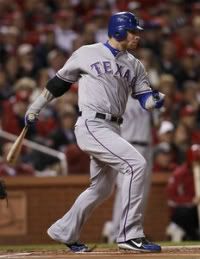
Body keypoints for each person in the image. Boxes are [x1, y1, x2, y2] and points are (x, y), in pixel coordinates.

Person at [24, 12, 164, 253]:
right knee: (136, 164)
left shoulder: (135, 64)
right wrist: (35, 107)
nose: (137, 36)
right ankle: (130, 234)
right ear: (118, 30)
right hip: (91, 124)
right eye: (133, 31)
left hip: (113, 127)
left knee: (101, 188)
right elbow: (59, 83)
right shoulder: (87, 52)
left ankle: (64, 230)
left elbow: (144, 101)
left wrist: (155, 100)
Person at [102, 94, 153, 243]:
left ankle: (134, 232)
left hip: (147, 146)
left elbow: (158, 118)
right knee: (125, 190)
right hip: (127, 145)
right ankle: (117, 232)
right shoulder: (117, 98)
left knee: (142, 193)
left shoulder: (146, 98)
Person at [166, 144, 200, 241]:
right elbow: (171, 199)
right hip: (187, 212)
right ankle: (194, 235)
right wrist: (191, 201)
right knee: (182, 213)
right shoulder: (179, 174)